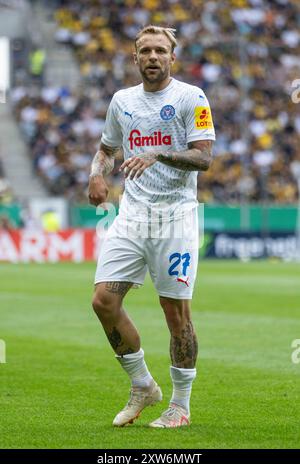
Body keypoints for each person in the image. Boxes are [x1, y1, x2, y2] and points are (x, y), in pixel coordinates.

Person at [88, 25, 215, 428]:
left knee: (175, 313)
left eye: (161, 50)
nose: (153, 57)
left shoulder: (191, 98)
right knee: (103, 302)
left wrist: (157, 153)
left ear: (172, 58)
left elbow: (203, 158)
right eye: (146, 51)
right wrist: (96, 174)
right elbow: (107, 149)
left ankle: (180, 405)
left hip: (175, 218)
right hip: (131, 217)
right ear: (135, 57)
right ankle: (142, 384)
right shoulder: (121, 101)